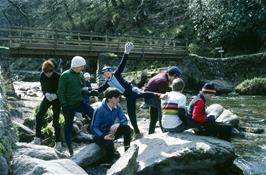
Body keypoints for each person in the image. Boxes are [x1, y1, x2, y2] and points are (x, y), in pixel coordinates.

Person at [98, 42, 156, 138]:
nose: (106, 75)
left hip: (132, 89)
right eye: (104, 74)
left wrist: (126, 52)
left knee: (142, 93)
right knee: (131, 114)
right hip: (128, 96)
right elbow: (99, 89)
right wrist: (89, 90)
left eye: (107, 73)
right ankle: (137, 132)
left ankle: (159, 95)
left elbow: (122, 64)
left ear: (110, 72)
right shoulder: (107, 83)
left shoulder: (116, 74)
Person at [57, 56, 96, 156]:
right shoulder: (65, 75)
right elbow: (60, 92)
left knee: (94, 114)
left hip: (79, 103)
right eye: (81, 66)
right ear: (76, 65)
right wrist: (64, 105)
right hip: (68, 105)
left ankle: (96, 136)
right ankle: (70, 149)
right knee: (68, 125)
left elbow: (82, 88)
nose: (83, 68)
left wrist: (91, 92)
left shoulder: (81, 74)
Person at [91, 87, 132, 163]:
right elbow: (94, 127)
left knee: (127, 128)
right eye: (117, 98)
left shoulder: (118, 106)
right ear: (110, 99)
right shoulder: (100, 109)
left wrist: (118, 124)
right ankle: (109, 161)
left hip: (111, 132)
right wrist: (103, 136)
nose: (119, 99)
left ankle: (127, 150)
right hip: (99, 135)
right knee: (109, 143)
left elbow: (124, 119)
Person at [144, 66, 182, 134]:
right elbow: (162, 98)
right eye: (176, 78)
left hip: (148, 96)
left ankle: (151, 132)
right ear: (174, 75)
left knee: (154, 116)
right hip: (150, 98)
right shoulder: (164, 81)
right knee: (162, 107)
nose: (175, 80)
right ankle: (164, 129)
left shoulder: (163, 74)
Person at [33, 59, 61, 150]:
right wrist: (46, 94)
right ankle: (37, 137)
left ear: (52, 70)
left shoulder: (58, 76)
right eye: (46, 73)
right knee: (39, 115)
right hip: (48, 97)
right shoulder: (42, 76)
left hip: (57, 98)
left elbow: (62, 89)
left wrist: (56, 95)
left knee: (56, 119)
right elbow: (43, 88)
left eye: (49, 72)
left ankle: (58, 142)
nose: (47, 74)